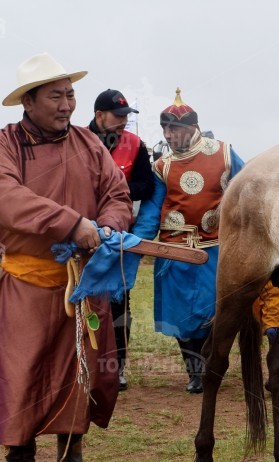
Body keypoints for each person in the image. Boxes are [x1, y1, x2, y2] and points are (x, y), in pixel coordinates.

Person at [0, 53, 132, 462]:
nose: (67, 104)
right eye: (55, 95)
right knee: (21, 372)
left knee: (83, 367)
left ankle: (71, 443)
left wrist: (104, 227)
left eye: (70, 94)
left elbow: (117, 195)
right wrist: (71, 224)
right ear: (28, 101)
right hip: (29, 281)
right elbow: (8, 201)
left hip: (85, 282)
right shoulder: (2, 146)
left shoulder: (89, 144)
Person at [132, 89, 244, 393]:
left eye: (174, 128)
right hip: (173, 253)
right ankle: (195, 372)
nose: (168, 134)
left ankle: (212, 362)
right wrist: (131, 243)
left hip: (215, 248)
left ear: (192, 127)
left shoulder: (224, 154)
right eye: (165, 128)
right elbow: (151, 213)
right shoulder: (161, 167)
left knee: (212, 310)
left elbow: (248, 192)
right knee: (182, 316)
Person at [87, 88, 153, 391]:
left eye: (127, 116)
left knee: (117, 302)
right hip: (81, 234)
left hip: (119, 237)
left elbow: (146, 186)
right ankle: (81, 361)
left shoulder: (136, 145)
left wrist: (117, 187)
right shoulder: (76, 140)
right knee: (80, 299)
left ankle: (118, 367)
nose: (124, 122)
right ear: (100, 115)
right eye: (118, 116)